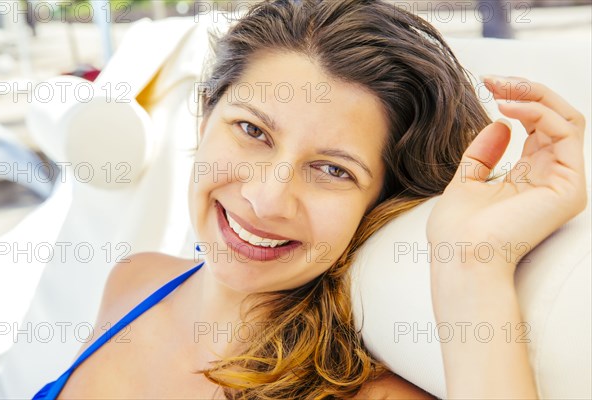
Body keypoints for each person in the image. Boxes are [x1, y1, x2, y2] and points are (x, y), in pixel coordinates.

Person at [33, 0, 587, 399]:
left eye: (331, 170)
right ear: (205, 117)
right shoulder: (136, 279)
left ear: (380, 203)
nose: (267, 198)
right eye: (251, 131)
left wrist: (473, 262)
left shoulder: (362, 393)